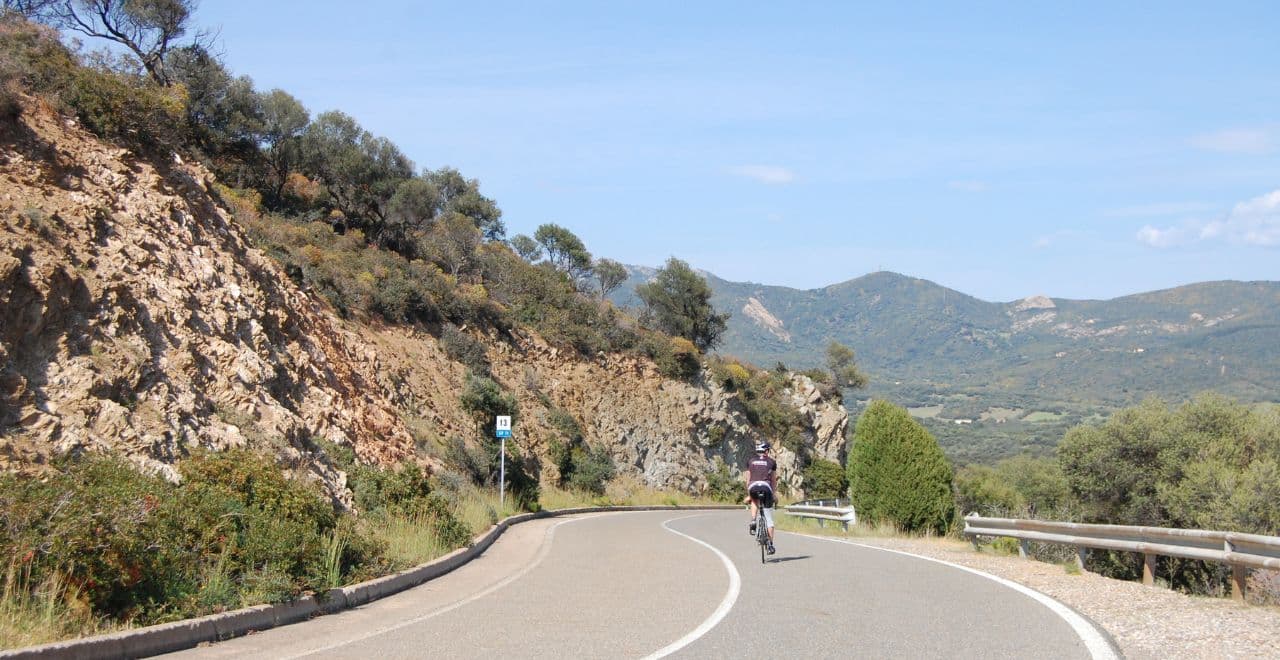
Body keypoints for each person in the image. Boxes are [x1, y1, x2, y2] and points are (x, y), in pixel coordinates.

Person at [743, 441, 777, 555]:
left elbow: (748, 479)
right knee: (769, 519)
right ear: (766, 451)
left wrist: (749, 494)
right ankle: (770, 545)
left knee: (754, 500)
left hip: (753, 487)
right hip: (766, 488)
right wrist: (774, 495)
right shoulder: (772, 462)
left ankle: (753, 520)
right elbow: (773, 480)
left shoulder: (750, 461)